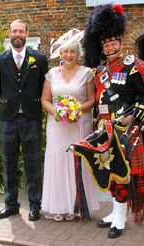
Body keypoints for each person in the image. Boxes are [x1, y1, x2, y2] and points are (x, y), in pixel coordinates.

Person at [83, 4, 144, 238]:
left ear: (121, 43)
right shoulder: (100, 71)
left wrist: (133, 115)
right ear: (102, 46)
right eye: (106, 44)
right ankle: (114, 211)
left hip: (127, 130)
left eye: (114, 43)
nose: (110, 47)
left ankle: (120, 218)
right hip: (105, 127)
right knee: (110, 171)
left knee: (122, 173)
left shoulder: (135, 66)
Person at [0, 19, 48, 221]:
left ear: (27, 33)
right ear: (9, 33)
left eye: (21, 31)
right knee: (9, 163)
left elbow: (43, 85)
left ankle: (35, 206)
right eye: (14, 30)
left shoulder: (39, 59)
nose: (17, 34)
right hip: (8, 117)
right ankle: (11, 205)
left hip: (31, 117)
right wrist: (10, 103)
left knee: (33, 164)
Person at [41, 29, 100, 222]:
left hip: (79, 125)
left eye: (72, 52)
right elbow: (45, 100)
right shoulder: (51, 74)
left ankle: (77, 206)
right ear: (60, 53)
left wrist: (76, 110)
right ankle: (58, 206)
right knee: (58, 162)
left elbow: (92, 100)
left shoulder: (86, 74)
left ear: (78, 54)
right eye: (65, 51)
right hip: (57, 126)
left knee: (78, 163)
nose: (68, 55)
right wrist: (58, 112)